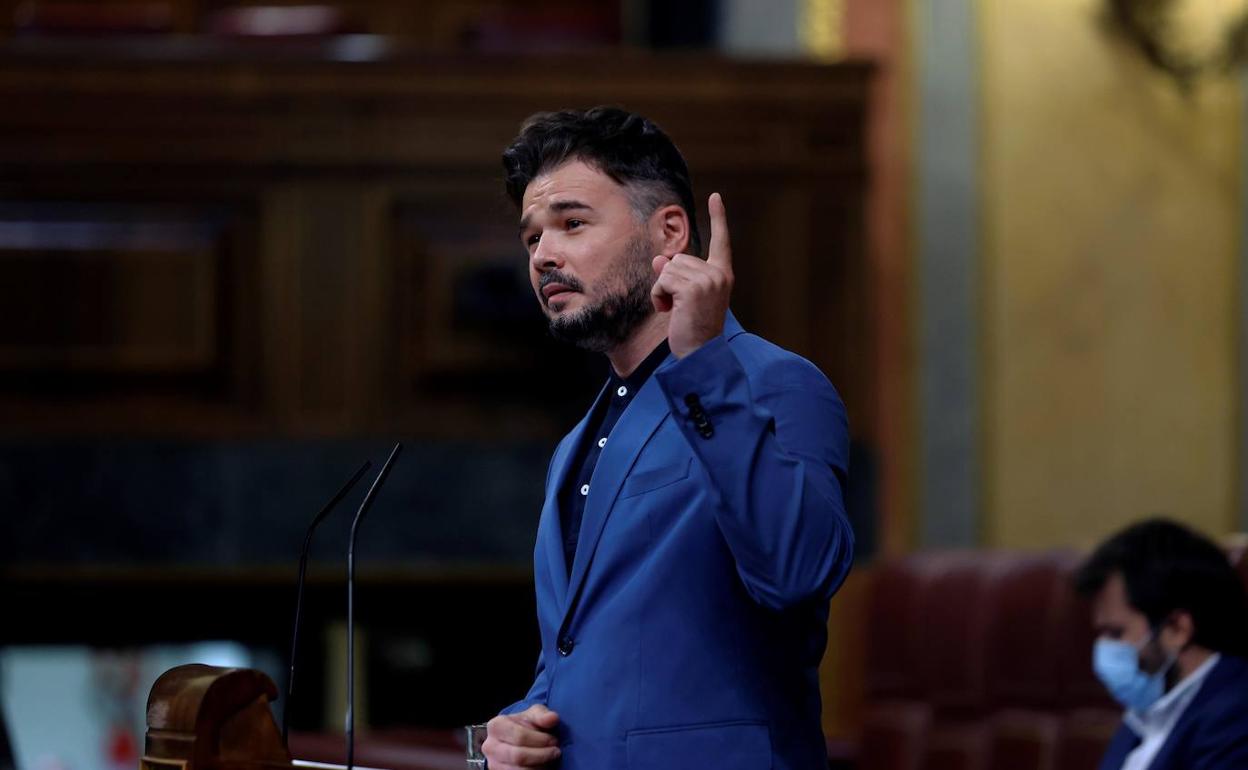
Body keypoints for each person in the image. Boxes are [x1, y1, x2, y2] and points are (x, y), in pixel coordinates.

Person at [481, 106, 854, 770]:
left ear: (671, 233)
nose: (544, 255)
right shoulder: (575, 443)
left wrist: (704, 365)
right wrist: (522, 724)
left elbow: (798, 574)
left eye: (572, 223)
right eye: (532, 237)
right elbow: (581, 654)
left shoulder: (775, 382)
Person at [1074, 518, 1248, 770]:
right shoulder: (1148, 710)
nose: (1103, 648)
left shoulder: (1235, 716)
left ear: (1177, 629)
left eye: (1116, 632)